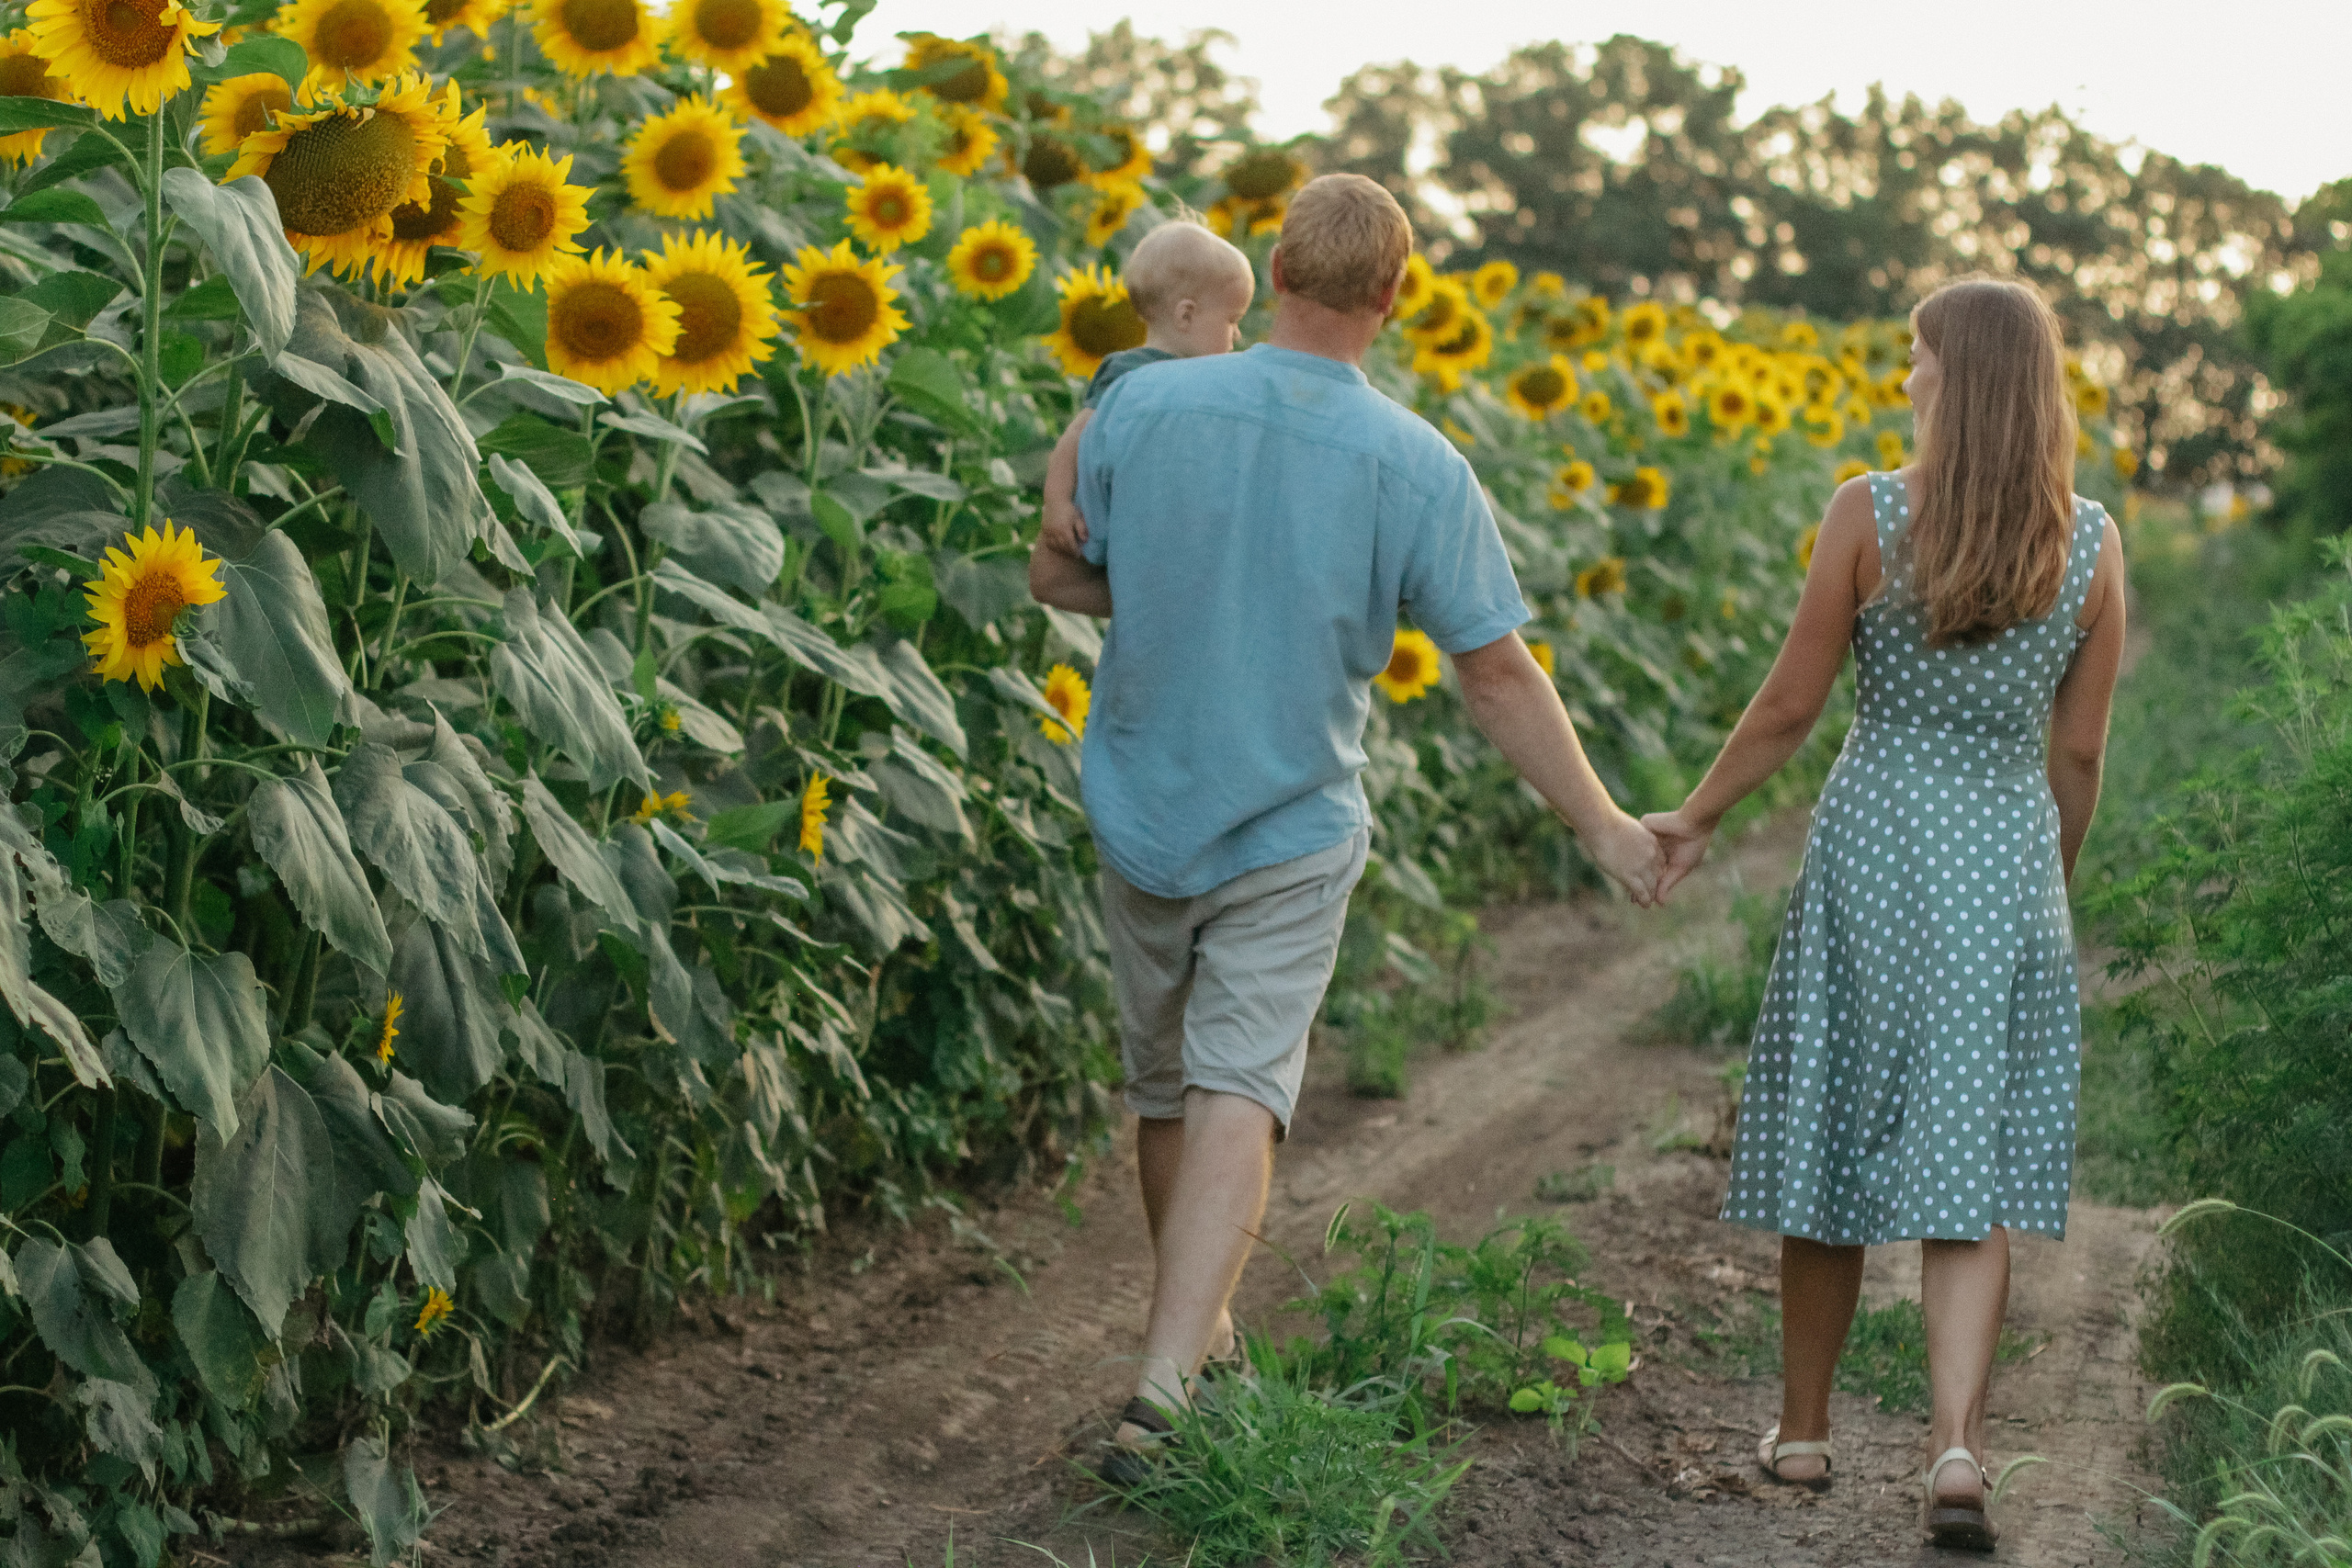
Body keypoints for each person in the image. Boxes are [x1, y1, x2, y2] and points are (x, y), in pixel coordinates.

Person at [1028, 173, 1665, 1481]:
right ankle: (1172, 1365)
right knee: (1238, 1086)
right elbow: (1493, 670)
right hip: (1288, 820)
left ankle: (1185, 1355)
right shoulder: (1415, 462)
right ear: (1394, 293)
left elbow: (1054, 567)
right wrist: (1603, 824)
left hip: (1141, 799)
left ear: (1276, 266)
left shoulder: (1138, 399)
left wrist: (1159, 581)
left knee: (1168, 1086)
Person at [1641, 276, 2126, 1551]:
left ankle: (1802, 1431)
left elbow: (1792, 707)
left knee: (1836, 1131)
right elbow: (2079, 754)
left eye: (1917, 357)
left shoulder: (1874, 511)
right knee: (1967, 1168)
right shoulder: (2092, 543)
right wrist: (2048, 885)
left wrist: (1693, 816)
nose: (1905, 376)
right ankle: (1956, 1444)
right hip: (2003, 847)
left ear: (1952, 380)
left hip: (1873, 842)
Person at [1038, 217, 1256, 558]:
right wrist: (1056, 505)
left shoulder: (1209, 378)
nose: (1237, 336)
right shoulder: (1126, 373)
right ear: (1186, 316)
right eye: (1232, 320)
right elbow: (1074, 440)